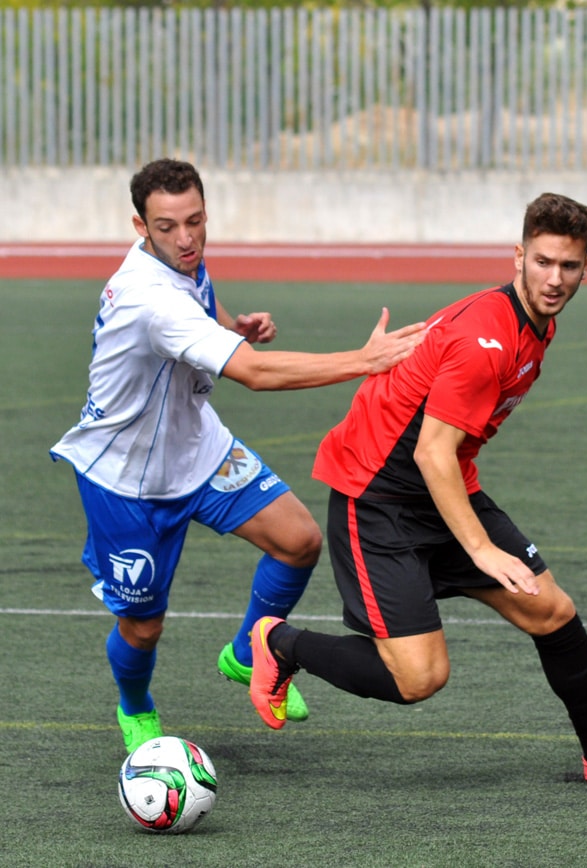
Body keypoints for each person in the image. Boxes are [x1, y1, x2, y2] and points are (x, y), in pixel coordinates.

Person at [247, 193, 587, 788]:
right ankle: (281, 643)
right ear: (518, 257)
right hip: (375, 497)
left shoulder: (537, 322)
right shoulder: (488, 339)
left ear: (586, 266)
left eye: (569, 266)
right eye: (543, 262)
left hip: (443, 486)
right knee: (420, 678)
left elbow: (444, 456)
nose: (555, 279)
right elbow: (431, 451)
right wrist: (481, 550)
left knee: (551, 610)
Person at [50, 158, 426, 753]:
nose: (187, 238)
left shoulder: (181, 261)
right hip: (126, 480)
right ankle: (136, 705)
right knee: (143, 626)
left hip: (198, 447)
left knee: (299, 540)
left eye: (195, 221)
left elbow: (203, 306)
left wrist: (234, 325)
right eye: (168, 226)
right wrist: (365, 361)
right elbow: (251, 374)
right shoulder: (149, 299)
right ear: (139, 226)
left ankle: (248, 652)